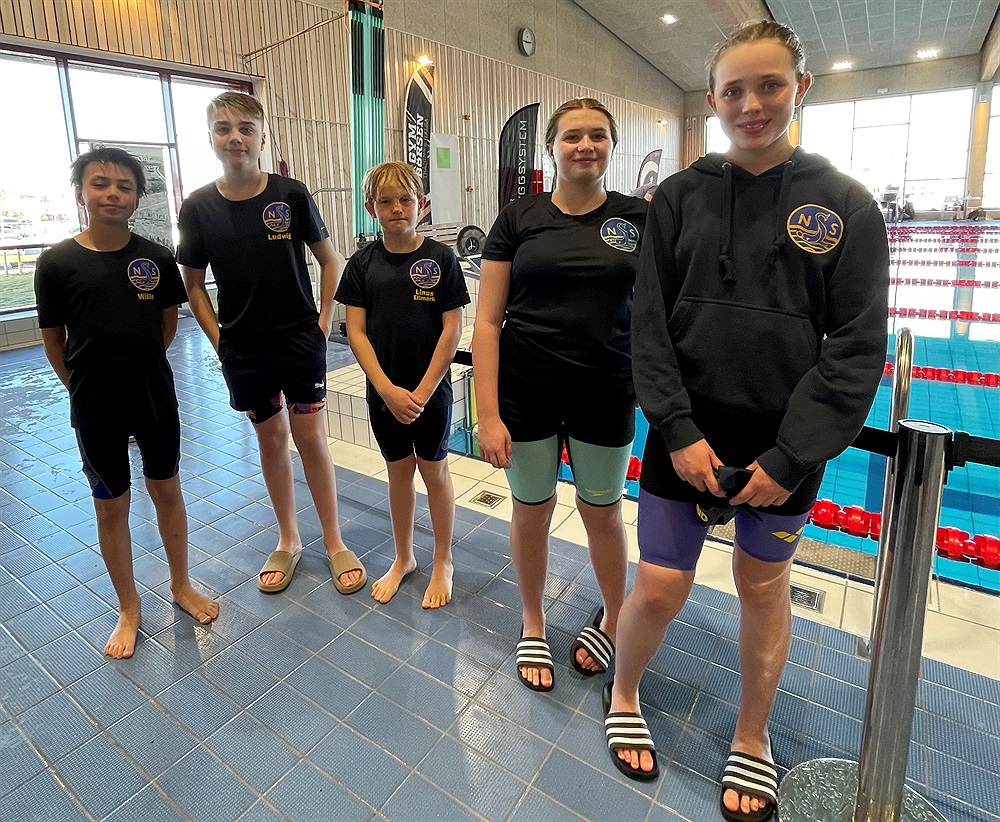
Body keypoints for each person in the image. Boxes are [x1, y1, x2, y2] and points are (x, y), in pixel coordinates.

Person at [603, 20, 889, 821]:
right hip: (684, 439)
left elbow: (856, 345)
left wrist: (791, 456)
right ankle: (624, 691)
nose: (752, 104)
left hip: (783, 447)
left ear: (801, 88)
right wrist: (676, 428)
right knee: (659, 587)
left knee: (763, 588)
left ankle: (752, 735)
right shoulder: (680, 198)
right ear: (713, 99)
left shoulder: (846, 205)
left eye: (770, 86)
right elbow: (648, 326)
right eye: (734, 90)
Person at [473, 98, 648, 693]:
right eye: (572, 136)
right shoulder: (518, 218)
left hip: (606, 390)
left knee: (603, 512)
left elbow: (659, 312)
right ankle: (533, 620)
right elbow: (488, 322)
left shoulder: (638, 219)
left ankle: (615, 616)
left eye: (598, 135)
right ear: (551, 147)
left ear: (612, 146)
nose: (585, 146)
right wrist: (488, 413)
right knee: (532, 509)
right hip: (527, 392)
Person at [178, 91, 366, 595]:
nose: (235, 137)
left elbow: (331, 260)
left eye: (245, 128)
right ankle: (288, 538)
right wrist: (220, 340)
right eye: (223, 128)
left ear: (262, 137)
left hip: (299, 342)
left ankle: (333, 540)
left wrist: (322, 323)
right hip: (244, 351)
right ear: (210, 139)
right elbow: (193, 285)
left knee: (311, 440)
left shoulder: (290, 194)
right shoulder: (198, 207)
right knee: (271, 441)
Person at [34, 147, 220, 659]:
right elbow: (53, 341)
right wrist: (82, 387)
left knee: (167, 491)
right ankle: (129, 605)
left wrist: (139, 370)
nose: (112, 193)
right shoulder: (56, 263)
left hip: (154, 397)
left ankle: (180, 584)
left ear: (138, 198)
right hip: (94, 408)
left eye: (124, 186)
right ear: (81, 194)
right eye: (100, 183)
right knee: (111, 505)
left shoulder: (156, 258)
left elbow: (166, 327)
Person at [336, 162, 469, 608]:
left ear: (422, 205)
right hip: (384, 395)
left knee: (435, 472)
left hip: (431, 393)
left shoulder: (442, 259)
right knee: (398, 473)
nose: (397, 208)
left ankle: (443, 560)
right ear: (370, 208)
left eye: (406, 199)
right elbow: (356, 332)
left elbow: (452, 330)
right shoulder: (362, 264)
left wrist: (425, 390)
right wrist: (386, 389)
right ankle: (404, 557)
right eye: (387, 201)